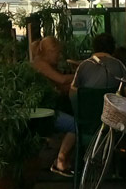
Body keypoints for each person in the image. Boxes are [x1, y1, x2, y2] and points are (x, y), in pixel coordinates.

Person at [30, 37, 77, 178]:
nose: (60, 56)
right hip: (42, 112)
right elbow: (61, 80)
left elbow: (62, 87)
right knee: (75, 125)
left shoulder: (47, 66)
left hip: (48, 108)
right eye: (57, 53)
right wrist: (80, 74)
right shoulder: (39, 64)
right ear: (50, 52)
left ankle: (64, 159)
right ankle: (60, 161)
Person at [74, 33, 126, 98]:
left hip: (87, 107)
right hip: (111, 107)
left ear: (94, 47)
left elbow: (73, 92)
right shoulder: (118, 65)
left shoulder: (83, 65)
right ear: (113, 48)